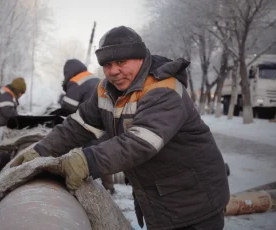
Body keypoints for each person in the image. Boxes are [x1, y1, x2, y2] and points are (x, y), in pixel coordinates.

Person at [12, 26, 229, 230]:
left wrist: (85, 161)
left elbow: (140, 143)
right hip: (160, 198)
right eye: (107, 65)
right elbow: (77, 126)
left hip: (194, 200)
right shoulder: (106, 90)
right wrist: (40, 151)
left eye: (121, 62)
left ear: (141, 58)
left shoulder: (163, 89)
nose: (113, 71)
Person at [58, 58, 115, 194]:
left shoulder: (76, 81)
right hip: (106, 121)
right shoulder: (94, 78)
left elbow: (68, 107)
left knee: (89, 157)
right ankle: (109, 187)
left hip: (90, 125)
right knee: (103, 152)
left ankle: (86, 190)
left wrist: (61, 99)